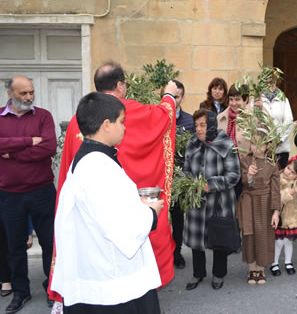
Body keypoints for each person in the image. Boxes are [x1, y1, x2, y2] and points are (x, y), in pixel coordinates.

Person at [48, 62, 177, 303]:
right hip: (113, 278)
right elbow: (162, 116)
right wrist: (150, 212)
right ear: (106, 125)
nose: (125, 127)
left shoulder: (81, 123)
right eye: (121, 122)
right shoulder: (101, 167)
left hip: (89, 258)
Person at [0, 76, 57, 312]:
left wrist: (11, 152)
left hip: (42, 191)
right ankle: (21, 293)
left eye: (31, 92)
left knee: (49, 243)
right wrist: (27, 142)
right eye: (23, 93)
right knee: (14, 247)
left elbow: (49, 148)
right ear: (10, 94)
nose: (29, 97)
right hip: (9, 194)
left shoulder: (43, 116)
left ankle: (52, 289)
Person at [183, 109, 240, 291]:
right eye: (196, 125)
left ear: (212, 126)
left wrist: (211, 184)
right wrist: (189, 183)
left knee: (219, 239)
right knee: (197, 239)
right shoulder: (192, 144)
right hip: (197, 202)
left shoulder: (225, 143)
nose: (199, 129)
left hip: (220, 202)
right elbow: (185, 170)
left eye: (203, 125)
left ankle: (218, 274)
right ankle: (198, 273)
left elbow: (234, 175)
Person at [237, 130, 281, 285]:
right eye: (253, 143)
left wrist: (276, 211)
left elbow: (276, 189)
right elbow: (243, 183)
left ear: (267, 144)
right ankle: (251, 269)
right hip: (249, 200)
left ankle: (261, 269)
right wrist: (248, 176)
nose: (256, 147)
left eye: (260, 143)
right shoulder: (245, 160)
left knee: (263, 234)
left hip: (266, 201)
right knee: (249, 235)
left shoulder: (272, 161)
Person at [167, 79, 194, 269]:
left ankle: (176, 252)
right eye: (170, 96)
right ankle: (162, 253)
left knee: (177, 217)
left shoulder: (189, 121)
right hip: (160, 176)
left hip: (179, 178)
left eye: (177, 97)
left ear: (182, 98)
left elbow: (192, 150)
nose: (173, 100)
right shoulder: (159, 116)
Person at [270, 157, 297, 277]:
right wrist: (288, 193)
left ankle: (288, 262)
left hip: (293, 218)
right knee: (278, 242)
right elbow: (275, 198)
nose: (288, 172)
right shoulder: (278, 179)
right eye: (288, 168)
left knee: (288, 242)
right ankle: (274, 263)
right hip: (281, 218)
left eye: (292, 172)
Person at [254, 80, 294, 169]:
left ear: (276, 83)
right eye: (266, 82)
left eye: (272, 82)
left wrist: (278, 140)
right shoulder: (257, 100)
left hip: (281, 149)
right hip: (263, 150)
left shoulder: (283, 100)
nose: (269, 85)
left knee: (279, 178)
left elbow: (288, 122)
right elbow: (254, 123)